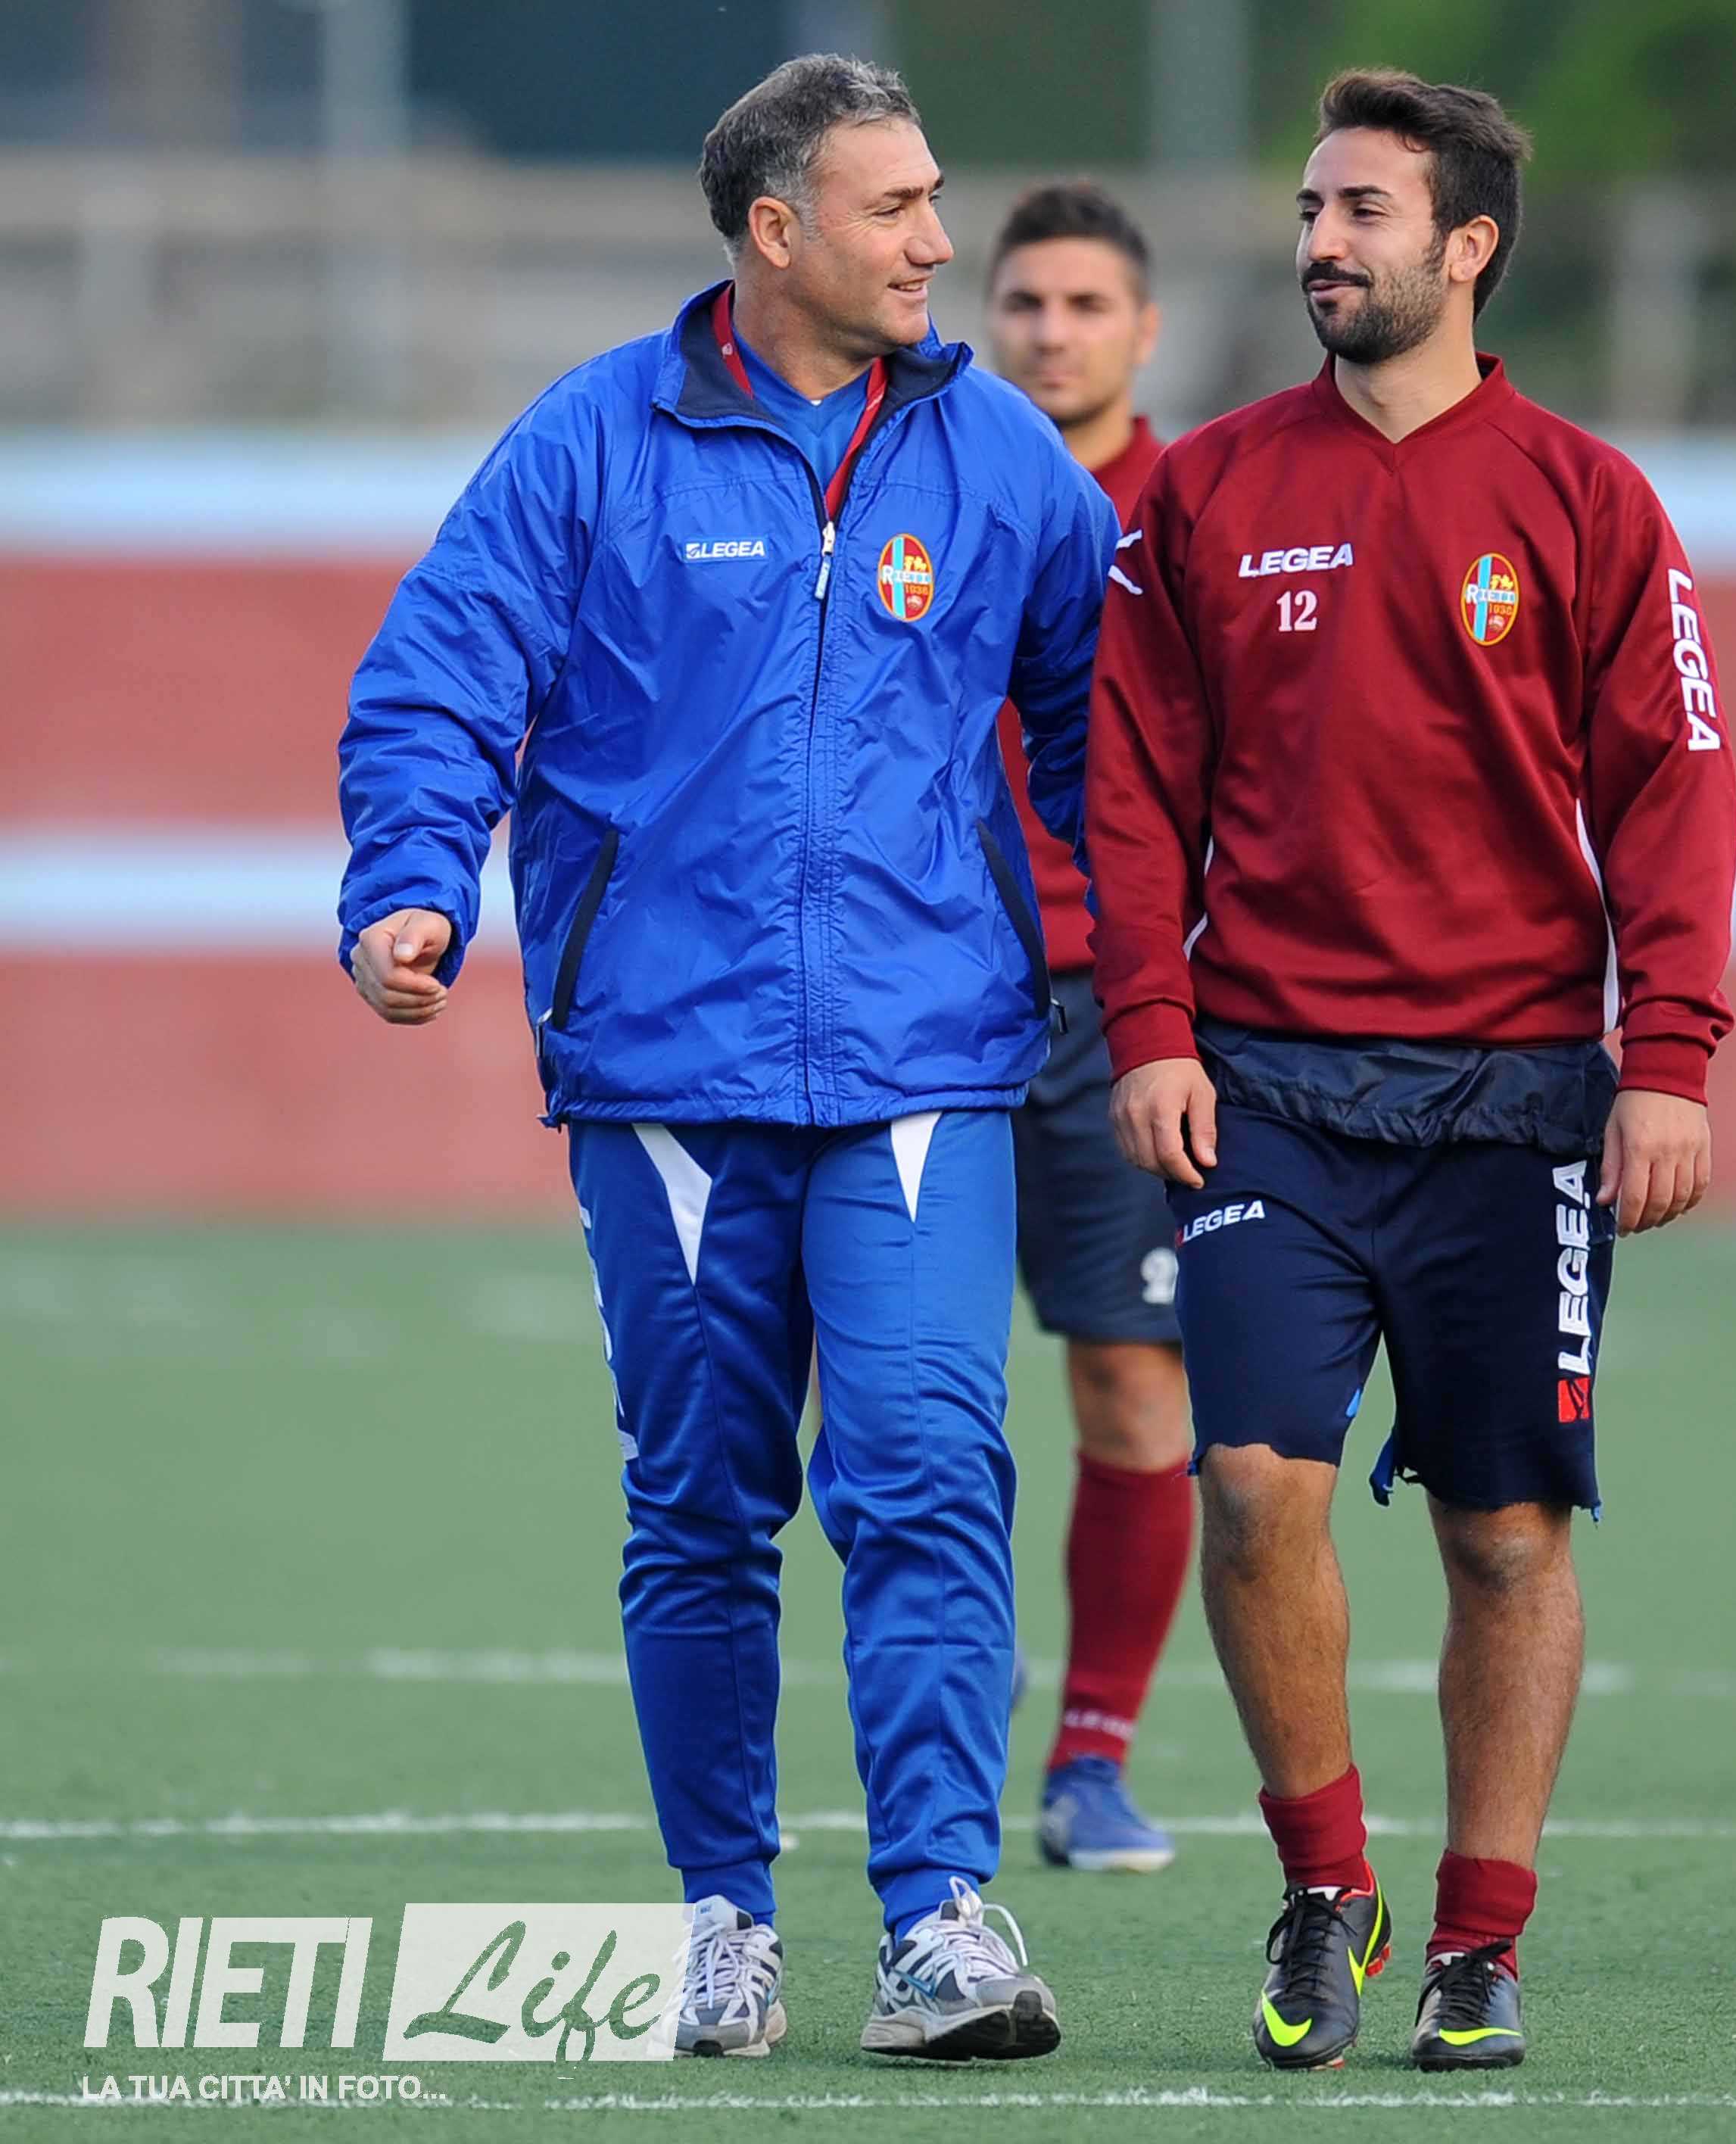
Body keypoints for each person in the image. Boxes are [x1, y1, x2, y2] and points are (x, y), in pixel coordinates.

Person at [336, 55, 1115, 2062]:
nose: (940, 239)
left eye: (935, 197)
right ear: (778, 232)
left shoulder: (1004, 455)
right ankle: (723, 1921)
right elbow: (438, 676)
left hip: (929, 1062)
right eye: (895, 206)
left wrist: (1139, 945)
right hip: (666, 1073)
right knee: (700, 1504)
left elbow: (1109, 728)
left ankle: (940, 1920)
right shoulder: (591, 440)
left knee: (930, 1467)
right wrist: (411, 885)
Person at [1083, 70, 1736, 2072]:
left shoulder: (1589, 501)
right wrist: (1150, 1028)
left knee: (1503, 1538)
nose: (1320, 242)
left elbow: (1676, 792)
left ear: (1467, 247)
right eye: (1310, 208)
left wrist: (1667, 1057)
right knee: (1251, 1487)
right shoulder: (1206, 493)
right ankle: (1322, 1890)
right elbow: (1132, 789)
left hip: (1517, 1107)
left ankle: (1479, 1939)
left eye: (1361, 210)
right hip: (1271, 1091)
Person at [979, 179, 1190, 1878]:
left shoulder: (1194, 510)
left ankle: (1092, 1761)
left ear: (1143, 330)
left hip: (1121, 1010)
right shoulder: (929, 479)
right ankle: (947, 1691)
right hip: (923, 999)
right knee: (896, 1400)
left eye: (1087, 305)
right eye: (1027, 303)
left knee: (1129, 1382)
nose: (1053, 333)